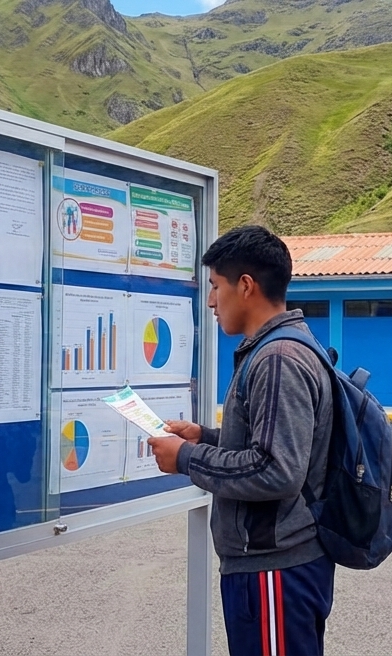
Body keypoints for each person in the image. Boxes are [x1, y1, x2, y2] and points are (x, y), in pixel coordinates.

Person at [147, 225, 336, 656]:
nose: (211, 301)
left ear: (246, 286)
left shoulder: (277, 359)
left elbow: (277, 470)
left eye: (216, 286)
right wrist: (208, 437)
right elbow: (279, 444)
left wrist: (188, 458)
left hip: (275, 569)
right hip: (277, 567)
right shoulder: (279, 348)